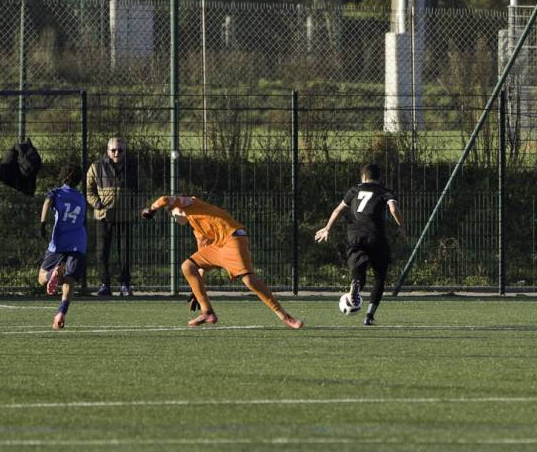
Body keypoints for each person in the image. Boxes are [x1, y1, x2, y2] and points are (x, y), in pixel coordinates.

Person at [140, 195, 303, 329]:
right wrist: (198, 291)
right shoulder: (197, 230)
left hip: (233, 237)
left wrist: (152, 209)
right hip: (219, 246)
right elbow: (201, 262)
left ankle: (284, 316)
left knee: (249, 280)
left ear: (179, 208)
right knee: (188, 265)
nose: (174, 218)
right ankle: (207, 312)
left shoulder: (192, 203)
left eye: (173, 213)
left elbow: (164, 199)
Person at [315, 163, 406, 326]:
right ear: (380, 178)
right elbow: (393, 209)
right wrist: (402, 227)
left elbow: (338, 210)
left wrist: (327, 228)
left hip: (355, 235)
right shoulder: (385, 191)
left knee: (359, 274)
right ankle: (369, 316)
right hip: (376, 236)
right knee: (379, 278)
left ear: (363, 177)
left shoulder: (354, 190)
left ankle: (355, 284)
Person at [87, 137, 140, 297]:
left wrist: (136, 207)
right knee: (103, 252)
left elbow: (145, 189)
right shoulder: (96, 167)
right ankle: (105, 284)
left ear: (124, 151)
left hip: (126, 216)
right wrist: (98, 204)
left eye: (120, 150)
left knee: (125, 252)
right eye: (113, 150)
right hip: (104, 216)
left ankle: (125, 284)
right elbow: (89, 190)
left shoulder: (133, 167)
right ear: (107, 150)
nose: (117, 153)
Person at [39, 164, 88, 330]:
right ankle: (61, 313)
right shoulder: (81, 197)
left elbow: (47, 202)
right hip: (78, 243)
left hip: (59, 242)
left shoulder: (56, 192)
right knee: (70, 280)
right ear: (79, 180)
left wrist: (43, 223)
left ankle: (52, 273)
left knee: (41, 277)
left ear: (62, 176)